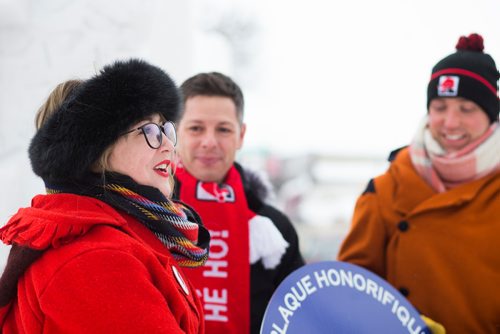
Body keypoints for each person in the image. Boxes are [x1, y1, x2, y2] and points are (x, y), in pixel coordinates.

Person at [0, 59, 210, 333]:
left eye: (166, 129)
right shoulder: (98, 258)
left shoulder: (128, 236)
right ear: (97, 153)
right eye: (149, 130)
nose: (169, 145)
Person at [338, 33, 499, 333]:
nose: (450, 122)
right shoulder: (385, 190)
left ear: (491, 115)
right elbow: (350, 290)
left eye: (466, 108)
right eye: (439, 107)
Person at [173, 72, 304, 334]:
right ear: (176, 131)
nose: (209, 142)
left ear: (241, 135)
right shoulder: (147, 217)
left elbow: (299, 317)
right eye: (196, 128)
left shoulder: (273, 230)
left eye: (223, 129)